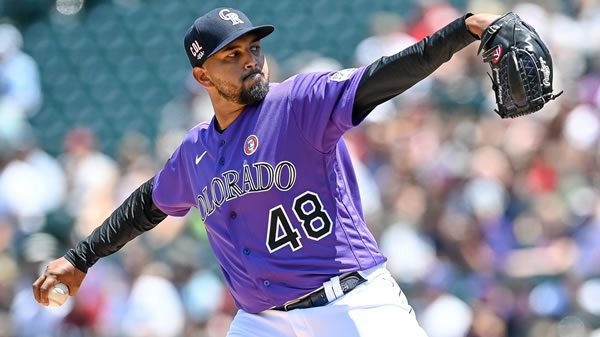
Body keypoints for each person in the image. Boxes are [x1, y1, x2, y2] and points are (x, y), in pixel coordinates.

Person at [33, 7, 500, 336]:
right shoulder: (195, 150)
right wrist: (81, 258)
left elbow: (382, 77)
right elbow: (146, 206)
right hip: (263, 322)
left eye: (253, 48)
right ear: (202, 76)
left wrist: (464, 30)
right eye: (230, 56)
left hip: (351, 303)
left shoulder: (299, 102)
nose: (250, 61)